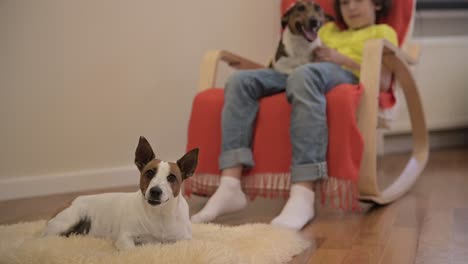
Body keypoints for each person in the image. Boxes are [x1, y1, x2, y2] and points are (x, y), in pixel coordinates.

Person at [190, 0, 397, 230]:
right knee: (240, 81)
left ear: (377, 4)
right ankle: (230, 185)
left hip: (343, 74)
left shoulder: (383, 32)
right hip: (300, 74)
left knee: (303, 75)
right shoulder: (326, 30)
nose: (351, 8)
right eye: (345, 2)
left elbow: (385, 81)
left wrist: (341, 59)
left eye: (358, 0)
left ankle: (303, 193)